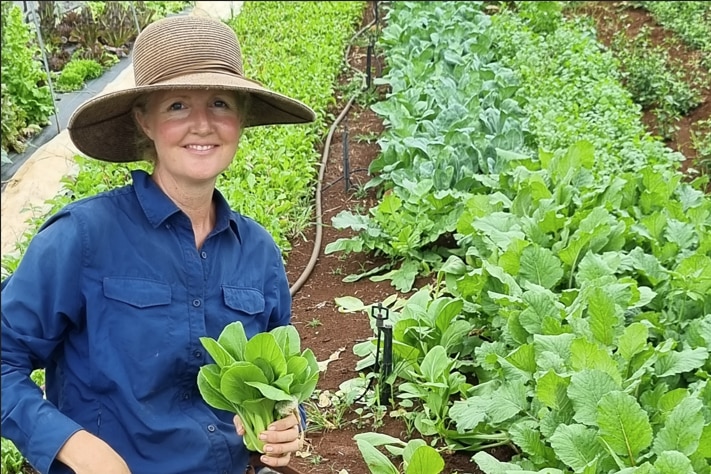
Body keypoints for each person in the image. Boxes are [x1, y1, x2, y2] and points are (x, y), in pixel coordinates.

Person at [1, 13, 316, 474]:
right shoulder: (83, 237)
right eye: (177, 107)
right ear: (144, 121)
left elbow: (274, 381)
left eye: (222, 104)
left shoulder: (257, 252)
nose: (203, 125)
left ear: (242, 121)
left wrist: (288, 421)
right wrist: (72, 443)